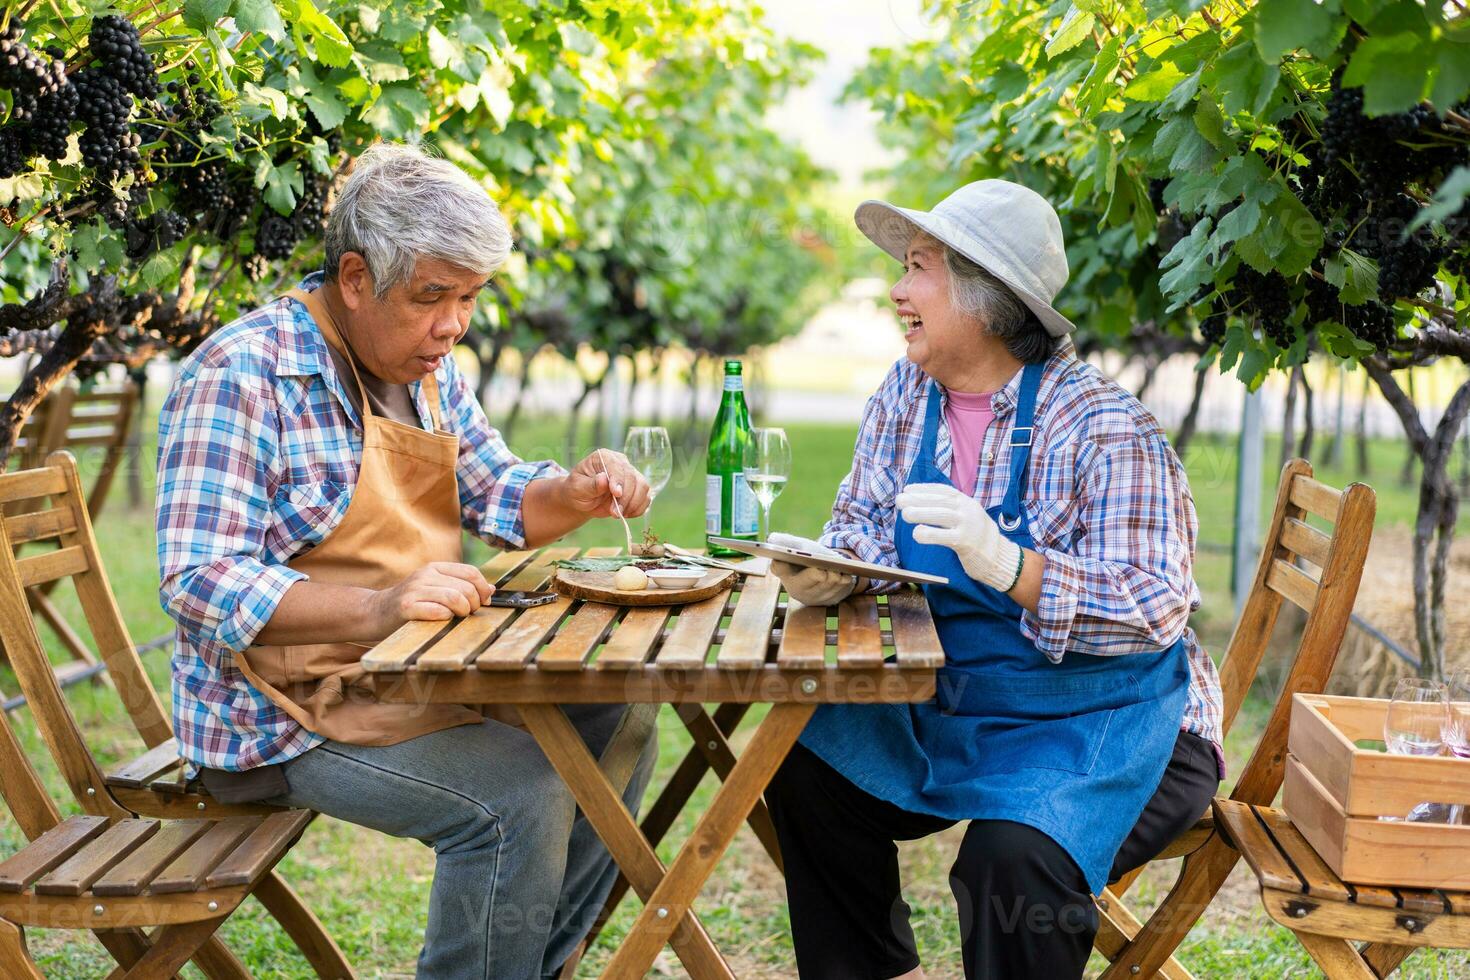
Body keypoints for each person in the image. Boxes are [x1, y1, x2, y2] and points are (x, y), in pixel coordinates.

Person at [155, 142, 654, 980]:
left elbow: (496, 494)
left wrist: (573, 492)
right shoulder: (246, 372)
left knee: (620, 717)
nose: (453, 324)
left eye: (467, 298)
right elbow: (197, 578)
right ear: (355, 278)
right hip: (279, 712)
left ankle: (527, 966)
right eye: (433, 297)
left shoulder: (428, 368)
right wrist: (382, 607)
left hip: (414, 673)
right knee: (520, 793)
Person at [763, 180, 1223, 979]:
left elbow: (1154, 604)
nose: (897, 290)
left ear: (984, 295)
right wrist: (832, 570)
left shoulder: (1106, 427)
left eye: (917, 267)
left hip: (1113, 721)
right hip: (968, 703)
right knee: (805, 761)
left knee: (1008, 861)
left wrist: (1014, 567)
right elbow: (863, 519)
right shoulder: (909, 394)